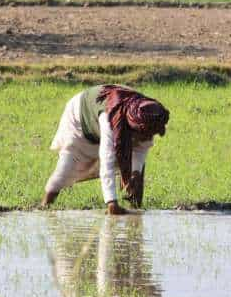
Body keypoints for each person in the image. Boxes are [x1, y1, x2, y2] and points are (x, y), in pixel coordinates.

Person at [41, 85, 170, 215]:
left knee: (136, 173)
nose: (148, 138)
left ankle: (136, 209)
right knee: (67, 166)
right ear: (134, 127)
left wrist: (135, 172)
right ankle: (45, 208)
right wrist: (111, 202)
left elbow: (141, 150)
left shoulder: (148, 116)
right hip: (79, 118)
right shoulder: (110, 120)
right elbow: (107, 161)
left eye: (150, 134)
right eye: (145, 135)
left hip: (116, 123)